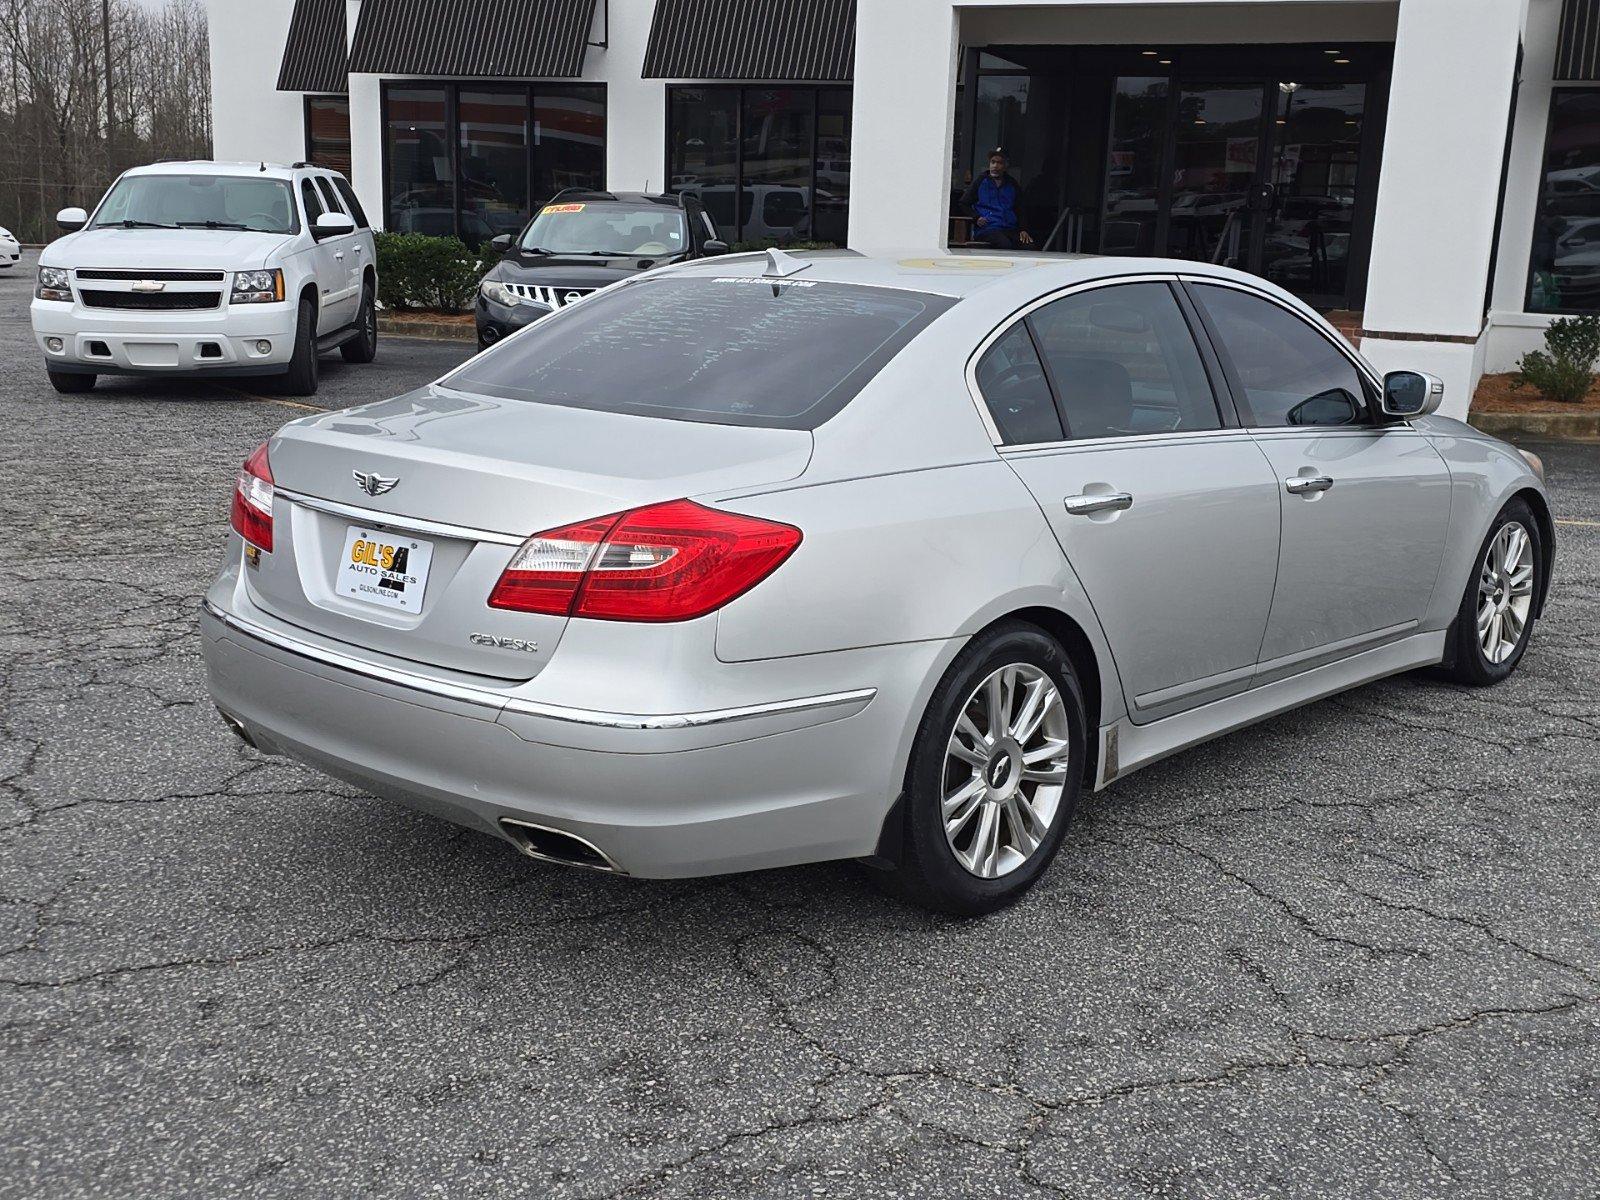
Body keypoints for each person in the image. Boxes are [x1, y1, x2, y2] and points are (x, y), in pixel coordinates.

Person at [960, 149, 1034, 250]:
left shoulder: (1012, 184)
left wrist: (1023, 229)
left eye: (999, 163)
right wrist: (976, 217)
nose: (995, 166)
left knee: (1029, 246)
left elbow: (1020, 208)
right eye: (992, 162)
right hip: (988, 229)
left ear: (1005, 166)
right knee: (1004, 244)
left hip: (1009, 229)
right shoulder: (980, 181)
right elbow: (963, 203)